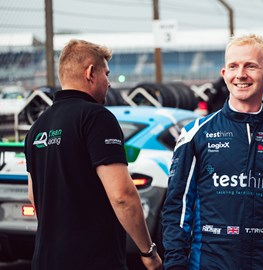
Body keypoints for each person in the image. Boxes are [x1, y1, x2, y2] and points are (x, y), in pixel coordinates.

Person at [162, 33, 263, 270]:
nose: (241, 74)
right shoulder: (195, 133)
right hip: (209, 263)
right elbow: (177, 206)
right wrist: (175, 264)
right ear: (224, 74)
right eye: (233, 66)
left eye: (250, 66)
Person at [24, 39, 162, 270]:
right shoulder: (97, 118)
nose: (109, 83)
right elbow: (122, 195)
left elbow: (33, 196)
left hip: (45, 260)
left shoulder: (38, 127)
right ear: (90, 73)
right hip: (93, 260)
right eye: (106, 74)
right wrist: (148, 251)